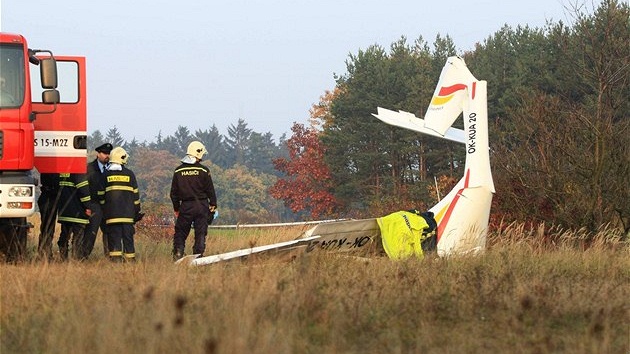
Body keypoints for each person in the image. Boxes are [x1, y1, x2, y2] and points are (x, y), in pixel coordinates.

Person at [170, 141, 217, 261]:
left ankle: (178, 255)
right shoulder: (204, 170)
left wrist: (177, 208)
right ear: (199, 153)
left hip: (185, 206)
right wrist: (212, 208)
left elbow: (173, 194)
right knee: (200, 233)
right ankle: (199, 257)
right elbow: (211, 192)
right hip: (202, 205)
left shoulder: (178, 171)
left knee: (180, 233)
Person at [99, 147, 142, 262]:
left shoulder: (105, 175)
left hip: (112, 218)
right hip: (128, 217)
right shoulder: (130, 174)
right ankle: (131, 262)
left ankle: (116, 262)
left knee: (114, 240)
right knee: (128, 240)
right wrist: (136, 211)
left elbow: (101, 196)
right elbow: (136, 196)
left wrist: (104, 211)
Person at [84, 142, 112, 257]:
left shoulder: (111, 168)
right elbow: (84, 189)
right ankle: (83, 256)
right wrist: (86, 206)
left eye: (108, 153)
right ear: (98, 154)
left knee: (109, 233)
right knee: (91, 232)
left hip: (107, 206)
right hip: (93, 205)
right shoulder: (89, 169)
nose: (107, 156)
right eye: (104, 153)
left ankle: (110, 256)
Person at [57, 173, 92, 260]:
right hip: (78, 212)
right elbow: (84, 191)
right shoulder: (78, 173)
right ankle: (77, 259)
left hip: (64, 211)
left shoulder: (61, 172)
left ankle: (63, 258)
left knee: (64, 237)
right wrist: (88, 206)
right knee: (78, 238)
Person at [37, 173, 60, 260]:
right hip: (49, 195)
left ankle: (44, 252)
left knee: (47, 226)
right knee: (48, 227)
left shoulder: (48, 164)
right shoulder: (50, 166)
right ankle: (45, 253)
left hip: (50, 195)